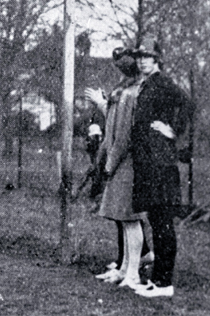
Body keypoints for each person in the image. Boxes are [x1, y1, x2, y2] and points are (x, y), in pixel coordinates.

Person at [128, 36, 194, 298]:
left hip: (161, 163)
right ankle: (156, 280)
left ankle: (164, 283)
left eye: (148, 56)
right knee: (156, 221)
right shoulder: (148, 84)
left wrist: (173, 131)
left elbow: (188, 103)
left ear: (157, 59)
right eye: (140, 57)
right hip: (149, 162)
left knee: (163, 223)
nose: (143, 61)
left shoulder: (163, 82)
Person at [86, 47, 149, 289]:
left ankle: (133, 273)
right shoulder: (122, 92)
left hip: (127, 164)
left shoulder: (132, 94)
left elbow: (124, 137)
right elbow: (111, 129)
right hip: (118, 162)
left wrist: (110, 164)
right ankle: (123, 268)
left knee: (130, 219)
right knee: (122, 219)